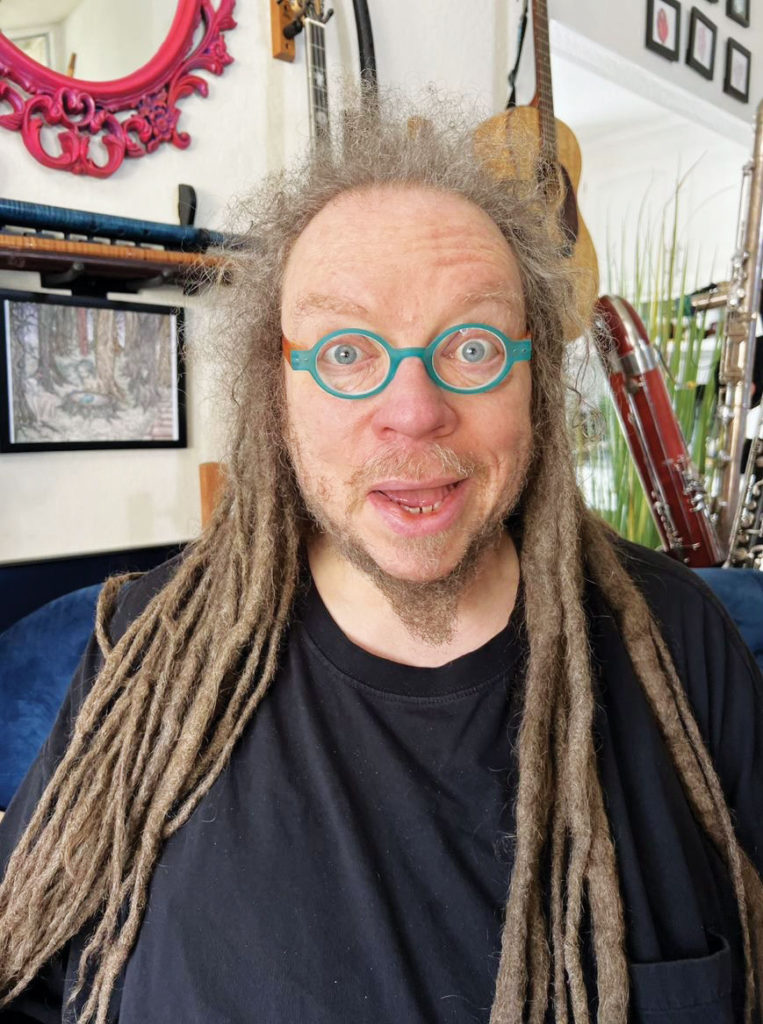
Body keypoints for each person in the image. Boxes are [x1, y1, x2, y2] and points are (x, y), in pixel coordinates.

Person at [0, 97, 761, 1024]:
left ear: (534, 385)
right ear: (277, 393)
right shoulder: (146, 652)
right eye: (348, 351)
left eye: (473, 346)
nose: (414, 410)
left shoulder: (677, 640)